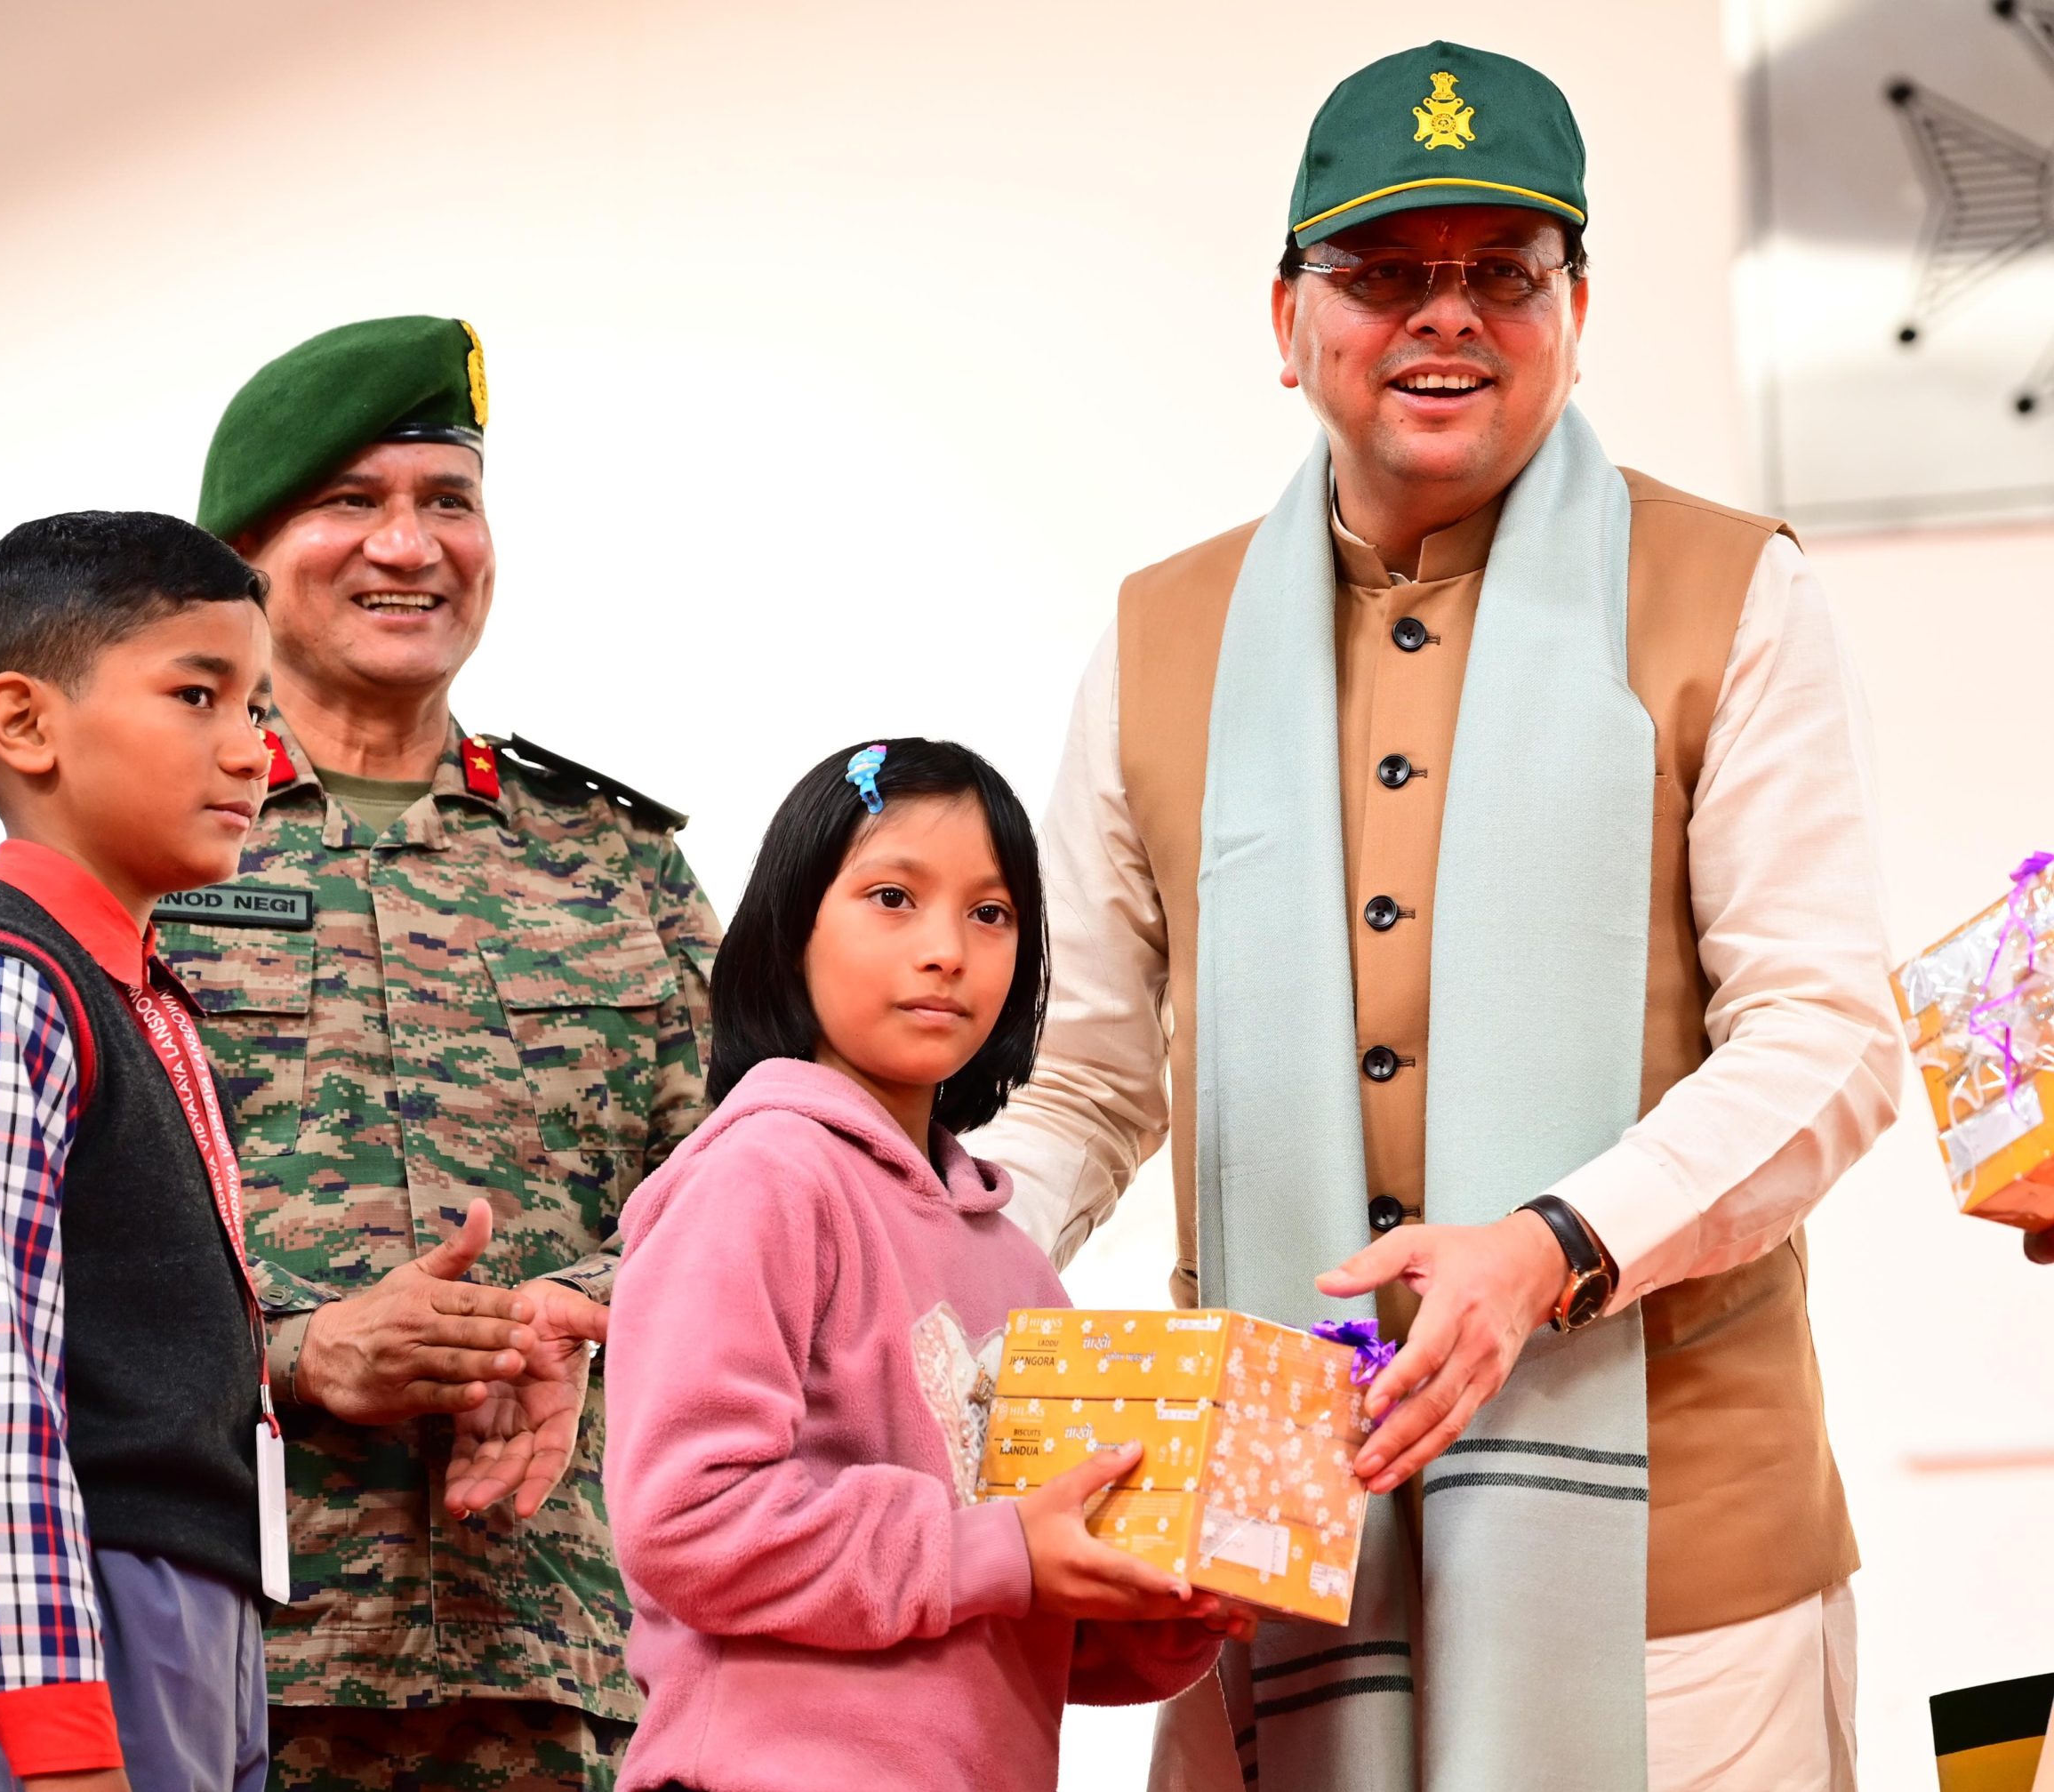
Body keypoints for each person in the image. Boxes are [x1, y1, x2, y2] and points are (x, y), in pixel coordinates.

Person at [973, 41, 1906, 1792]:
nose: (1446, 316)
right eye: (1383, 271)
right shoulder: (1163, 638)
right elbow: (1083, 1076)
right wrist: (899, 1272)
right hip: (1263, 1535)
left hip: (1680, 1563)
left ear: (1575, 310)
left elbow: (1826, 1035)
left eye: (1503, 271)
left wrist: (1553, 1245)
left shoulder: (1730, 591)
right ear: (1287, 318)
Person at [164, 315, 720, 1791]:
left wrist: (575, 1310)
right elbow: (38, 1254)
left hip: (557, 1662)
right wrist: (300, 1354)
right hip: (218, 1664)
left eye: (447, 500)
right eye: (351, 499)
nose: (408, 545)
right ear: (241, 557)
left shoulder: (617, 863)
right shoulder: (146, 847)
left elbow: (750, 1204)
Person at [605, 739, 1243, 1792]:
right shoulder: (760, 1175)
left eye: (991, 912)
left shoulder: (1018, 1264)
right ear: (792, 927)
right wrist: (997, 1550)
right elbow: (689, 1519)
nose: (946, 949)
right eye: (893, 896)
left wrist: (1167, 1601)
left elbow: (1021, 1606)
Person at [0, 511, 283, 1791]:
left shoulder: (138, 998)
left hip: (180, 1619)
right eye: (198, 695)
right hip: (44, 1623)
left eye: (258, 705)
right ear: (26, 722)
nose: (252, 749)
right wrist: (63, 1744)